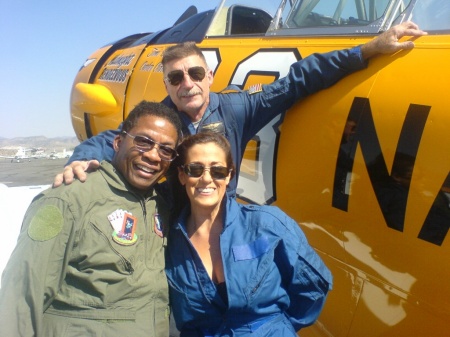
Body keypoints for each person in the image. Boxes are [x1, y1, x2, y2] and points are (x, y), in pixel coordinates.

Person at [54, 21, 427, 196]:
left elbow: (301, 79)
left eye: (194, 74)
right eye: (175, 78)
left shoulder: (237, 108)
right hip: (175, 223)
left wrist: (368, 50)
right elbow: (112, 140)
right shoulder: (161, 118)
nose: (187, 84)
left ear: (209, 76)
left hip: (221, 215)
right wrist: (80, 157)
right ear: (167, 83)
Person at [0, 101, 182, 337]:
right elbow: (20, 298)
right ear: (117, 143)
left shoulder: (160, 206)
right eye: (143, 142)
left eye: (166, 150)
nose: (153, 155)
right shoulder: (67, 199)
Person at [165, 131, 332, 336]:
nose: (206, 178)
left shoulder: (267, 224)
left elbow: (312, 289)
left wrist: (277, 327)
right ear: (182, 175)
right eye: (195, 169)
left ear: (229, 176)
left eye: (217, 171)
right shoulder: (168, 240)